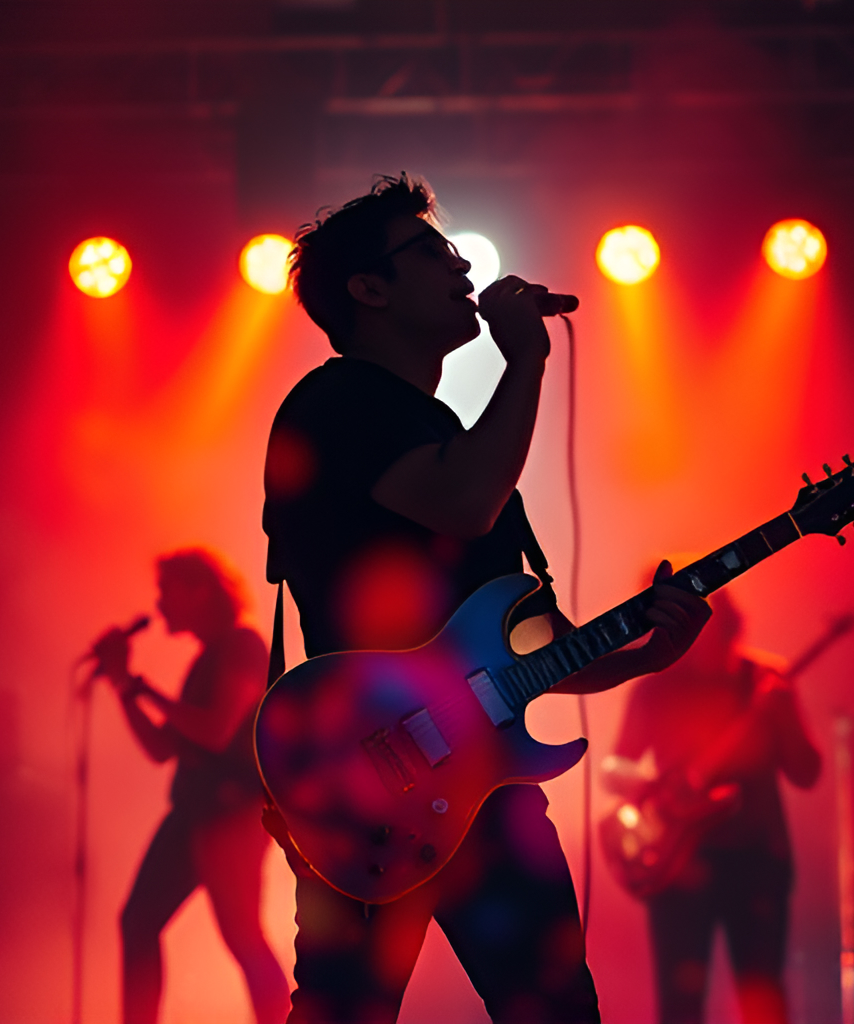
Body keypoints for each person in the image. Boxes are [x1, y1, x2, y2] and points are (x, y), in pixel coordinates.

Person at [260, 173, 712, 1024]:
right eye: (433, 252)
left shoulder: (447, 433)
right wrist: (526, 359)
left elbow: (526, 649)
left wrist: (644, 657)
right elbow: (464, 502)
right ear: (369, 289)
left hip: (482, 788)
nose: (464, 267)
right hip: (366, 780)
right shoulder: (341, 403)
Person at [91, 549, 290, 1024]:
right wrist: (123, 686)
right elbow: (162, 747)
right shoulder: (205, 662)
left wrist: (143, 689)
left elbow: (217, 730)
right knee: (139, 921)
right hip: (193, 813)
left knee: (242, 937)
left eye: (167, 591)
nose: (159, 606)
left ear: (200, 590)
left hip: (231, 816)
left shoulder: (243, 647)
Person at [607, 591, 822, 1024]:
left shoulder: (767, 680)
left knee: (763, 999)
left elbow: (806, 773)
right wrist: (655, 787)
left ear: (729, 627)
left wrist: (782, 717)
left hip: (758, 861)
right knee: (680, 1004)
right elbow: (614, 767)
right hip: (679, 865)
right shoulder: (656, 686)